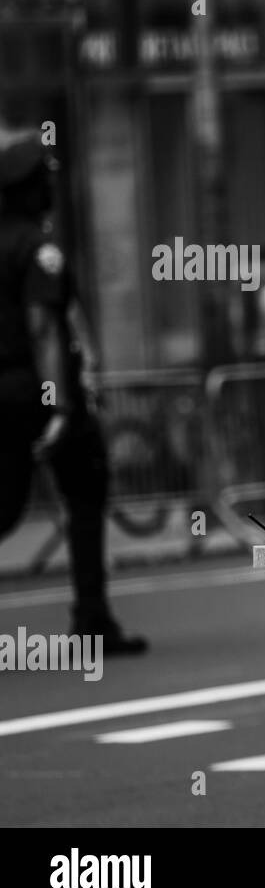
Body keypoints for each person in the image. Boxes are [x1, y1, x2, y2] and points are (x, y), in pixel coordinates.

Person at [0, 126, 146, 654]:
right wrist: (58, 405)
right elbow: (43, 328)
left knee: (7, 503)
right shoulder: (39, 252)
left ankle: (94, 618)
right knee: (86, 488)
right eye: (45, 179)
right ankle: (93, 620)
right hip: (34, 394)